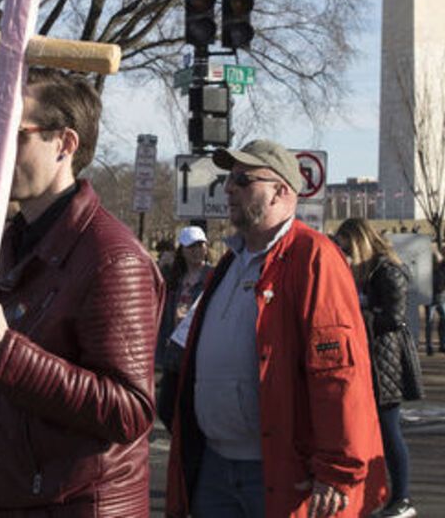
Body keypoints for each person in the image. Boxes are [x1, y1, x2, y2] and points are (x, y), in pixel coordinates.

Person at [0, 68, 163, 515]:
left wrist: (4, 350)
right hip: (22, 494)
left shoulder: (112, 256)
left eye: (15, 134)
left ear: (65, 144)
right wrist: (8, 461)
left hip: (82, 504)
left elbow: (131, 411)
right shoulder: (10, 241)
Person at [164, 139, 385, 518]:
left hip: (277, 473)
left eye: (243, 180)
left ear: (280, 190)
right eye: (229, 179)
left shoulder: (313, 257)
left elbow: (339, 371)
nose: (229, 188)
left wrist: (336, 468)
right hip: (214, 466)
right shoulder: (228, 265)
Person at [335, 218, 424, 518]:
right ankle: (382, 494)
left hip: (386, 359)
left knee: (389, 430)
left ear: (359, 241)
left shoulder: (387, 270)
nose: (345, 254)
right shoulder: (365, 272)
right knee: (369, 431)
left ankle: (403, 497)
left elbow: (396, 318)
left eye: (347, 246)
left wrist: (359, 315)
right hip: (367, 357)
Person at [156, 225, 214, 431]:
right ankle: (180, 442)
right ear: (183, 250)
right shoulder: (174, 278)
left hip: (200, 350)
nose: (197, 251)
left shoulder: (212, 276)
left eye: (201, 245)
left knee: (191, 406)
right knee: (165, 407)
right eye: (191, 247)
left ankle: (188, 448)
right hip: (175, 349)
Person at [425, 243, 445, 355]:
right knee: (430, 322)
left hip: (441, 297)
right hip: (431, 297)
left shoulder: (444, 266)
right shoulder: (429, 269)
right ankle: (429, 346)